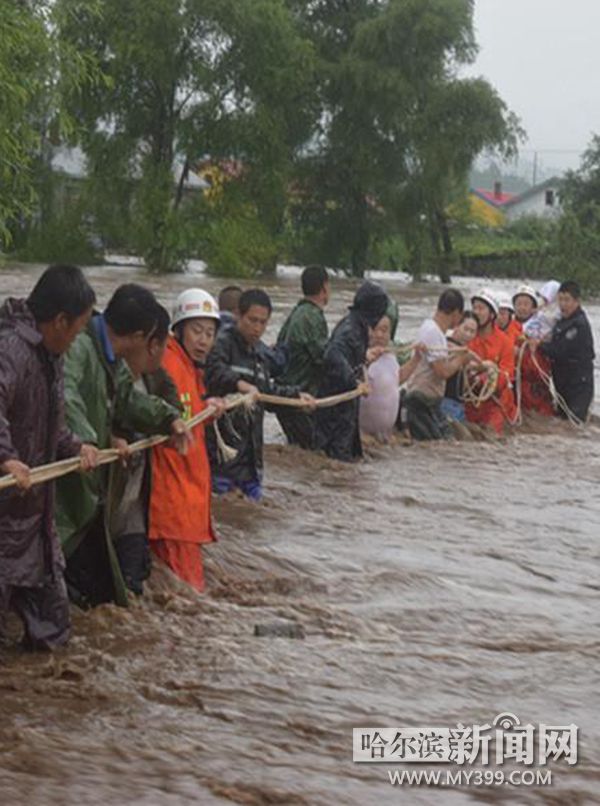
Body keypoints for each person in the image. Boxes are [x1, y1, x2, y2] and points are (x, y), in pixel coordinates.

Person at [56, 284, 190, 608]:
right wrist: (85, 439)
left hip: (88, 485)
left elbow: (129, 400)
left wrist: (170, 419)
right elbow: (66, 394)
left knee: (94, 596)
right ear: (140, 336)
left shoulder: (109, 357)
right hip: (66, 478)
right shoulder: (82, 348)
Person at [0, 265, 98, 650]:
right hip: (6, 515)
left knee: (54, 634)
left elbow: (50, 424)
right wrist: (6, 458)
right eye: (78, 329)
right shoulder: (10, 349)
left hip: (36, 519)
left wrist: (76, 446)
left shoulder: (50, 355)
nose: (77, 339)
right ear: (60, 321)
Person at [149, 290, 226, 591]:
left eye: (210, 333)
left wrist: (208, 410)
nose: (204, 340)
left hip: (186, 506)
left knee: (186, 594)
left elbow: (185, 415)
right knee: (187, 595)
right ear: (178, 329)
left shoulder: (187, 367)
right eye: (196, 331)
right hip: (172, 506)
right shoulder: (168, 362)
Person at [205, 289, 314, 500]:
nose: (257, 328)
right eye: (252, 320)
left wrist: (297, 398)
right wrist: (239, 384)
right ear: (238, 315)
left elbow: (267, 393)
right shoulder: (221, 344)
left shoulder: (262, 354)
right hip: (222, 457)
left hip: (251, 461)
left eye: (263, 323)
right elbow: (214, 371)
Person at [109, 304, 181, 596]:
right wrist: (110, 436)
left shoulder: (156, 377)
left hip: (135, 501)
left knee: (132, 582)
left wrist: (173, 420)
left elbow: (174, 406)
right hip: (105, 496)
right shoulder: (110, 369)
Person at [315, 281, 389, 460]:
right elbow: (332, 354)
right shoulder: (351, 330)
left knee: (346, 455)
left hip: (344, 405)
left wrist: (364, 357)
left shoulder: (355, 325)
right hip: (337, 407)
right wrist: (353, 381)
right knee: (337, 456)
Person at [404, 289, 471, 441]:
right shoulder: (433, 332)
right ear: (456, 313)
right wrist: (460, 360)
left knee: (442, 443)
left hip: (429, 401)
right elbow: (441, 372)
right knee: (437, 445)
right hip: (421, 400)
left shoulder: (434, 330)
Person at [275, 265, 330, 449]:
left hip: (285, 395)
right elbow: (324, 358)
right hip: (300, 398)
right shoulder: (313, 317)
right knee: (313, 452)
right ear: (324, 288)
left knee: (297, 451)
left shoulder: (296, 313)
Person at [359, 308, 422, 441]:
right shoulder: (360, 354)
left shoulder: (391, 355)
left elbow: (397, 378)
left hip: (386, 433)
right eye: (376, 329)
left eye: (384, 330)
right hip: (363, 433)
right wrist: (367, 361)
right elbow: (353, 379)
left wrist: (416, 358)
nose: (380, 335)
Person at [537, 280, 595, 422]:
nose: (563, 304)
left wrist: (539, 344)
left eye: (567, 300)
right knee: (562, 423)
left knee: (574, 424)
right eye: (560, 300)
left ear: (577, 301)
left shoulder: (579, 324)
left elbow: (559, 351)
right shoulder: (562, 321)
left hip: (578, 385)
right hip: (562, 382)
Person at [465, 289, 516, 434]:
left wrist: (484, 378)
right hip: (470, 401)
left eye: (481, 308)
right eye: (474, 308)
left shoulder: (505, 342)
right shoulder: (465, 336)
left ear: (492, 314)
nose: (476, 312)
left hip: (496, 404)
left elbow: (506, 375)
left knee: (491, 435)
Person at [517, 280, 561, 417]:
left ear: (533, 306)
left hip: (539, 385)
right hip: (520, 385)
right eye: (518, 304)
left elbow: (555, 286)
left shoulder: (545, 321)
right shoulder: (509, 325)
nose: (522, 308)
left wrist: (543, 300)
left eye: (526, 304)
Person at [440, 311, 478, 423]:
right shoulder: (446, 345)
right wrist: (484, 366)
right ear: (457, 326)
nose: (468, 334)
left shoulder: (463, 350)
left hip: (458, 403)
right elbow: (472, 361)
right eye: (465, 329)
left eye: (472, 331)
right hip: (446, 402)